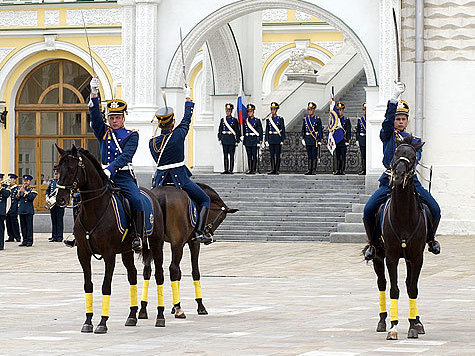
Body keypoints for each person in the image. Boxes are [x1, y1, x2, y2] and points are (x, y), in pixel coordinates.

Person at [363, 82, 441, 260]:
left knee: (435, 209)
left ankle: (430, 239)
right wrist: (393, 100)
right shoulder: (388, 136)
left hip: (410, 182)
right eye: (397, 118)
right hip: (389, 181)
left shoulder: (414, 140)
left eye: (402, 119)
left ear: (407, 120)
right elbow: (386, 124)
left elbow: (417, 157)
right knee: (368, 210)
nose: (399, 121)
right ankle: (372, 244)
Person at [150, 88, 212, 244]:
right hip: (180, 179)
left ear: (159, 123)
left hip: (159, 182)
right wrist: (188, 99)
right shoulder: (178, 135)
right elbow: (186, 120)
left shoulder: (152, 143)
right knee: (205, 200)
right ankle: (199, 232)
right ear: (172, 123)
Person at [88, 77, 144, 251]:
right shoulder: (104, 132)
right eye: (111, 117)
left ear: (123, 118)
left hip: (123, 176)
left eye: (117, 117)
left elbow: (126, 156)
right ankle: (80, 233)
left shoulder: (131, 135)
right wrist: (94, 94)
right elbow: (96, 118)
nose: (114, 121)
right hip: (104, 176)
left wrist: (110, 170)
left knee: (136, 200)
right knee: (80, 198)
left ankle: (137, 235)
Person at [301, 102, 323, 175]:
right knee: (309, 155)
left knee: (314, 155)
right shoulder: (305, 119)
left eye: (311, 110)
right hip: (308, 139)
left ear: (314, 110)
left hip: (314, 139)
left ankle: (313, 169)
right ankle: (309, 169)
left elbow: (320, 130)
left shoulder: (317, 119)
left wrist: (320, 139)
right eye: (309, 110)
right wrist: (303, 138)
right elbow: (303, 129)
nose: (310, 111)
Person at [217, 103, 240, 174]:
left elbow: (237, 131)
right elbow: (220, 129)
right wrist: (220, 138)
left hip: (231, 139)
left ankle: (231, 169)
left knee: (232, 155)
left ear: (231, 111)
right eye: (227, 111)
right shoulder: (223, 120)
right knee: (225, 155)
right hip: (225, 138)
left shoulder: (234, 120)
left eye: (229, 110)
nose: (228, 112)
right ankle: (226, 169)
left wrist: (237, 139)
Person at [265, 102, 286, 175]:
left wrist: (282, 139)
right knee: (271, 155)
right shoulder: (269, 120)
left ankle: (277, 169)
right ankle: (272, 169)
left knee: (277, 155)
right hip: (271, 138)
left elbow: (283, 129)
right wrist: (266, 140)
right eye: (272, 109)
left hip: (277, 138)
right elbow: (267, 130)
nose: (273, 111)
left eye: (274, 109)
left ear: (276, 110)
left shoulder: (280, 119)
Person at [242, 103, 263, 174]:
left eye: (251, 111)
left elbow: (260, 131)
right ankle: (250, 169)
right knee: (249, 156)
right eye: (248, 111)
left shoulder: (257, 120)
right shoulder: (245, 121)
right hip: (247, 139)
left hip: (254, 140)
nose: (249, 113)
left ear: (253, 112)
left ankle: (254, 169)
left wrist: (260, 140)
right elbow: (244, 131)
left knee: (254, 155)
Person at [46, 168, 65, 242]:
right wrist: (47, 197)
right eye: (55, 174)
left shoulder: (62, 182)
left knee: (59, 221)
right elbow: (48, 190)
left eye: (57, 174)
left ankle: (59, 236)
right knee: (53, 220)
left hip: (59, 204)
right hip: (52, 204)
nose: (56, 175)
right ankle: (54, 236)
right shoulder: (52, 182)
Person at [18, 174, 37, 247]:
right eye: (24, 181)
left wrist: (25, 192)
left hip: (28, 210)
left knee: (29, 227)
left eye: (27, 181)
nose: (25, 182)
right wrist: (19, 193)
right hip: (21, 210)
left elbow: (31, 197)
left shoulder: (32, 189)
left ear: (30, 181)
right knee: (23, 227)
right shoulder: (21, 188)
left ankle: (29, 241)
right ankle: (24, 240)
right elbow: (17, 198)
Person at [335, 102, 351, 175]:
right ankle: (338, 169)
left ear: (343, 110)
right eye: (338, 110)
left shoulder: (346, 120)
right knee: (337, 155)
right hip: (337, 140)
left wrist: (348, 139)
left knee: (343, 156)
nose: (339, 112)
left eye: (341, 110)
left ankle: (342, 170)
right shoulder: (335, 120)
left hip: (343, 140)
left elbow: (348, 130)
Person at [5, 173, 20, 243]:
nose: (10, 181)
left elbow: (18, 198)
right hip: (7, 208)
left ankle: (17, 236)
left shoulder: (17, 188)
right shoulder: (7, 188)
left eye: (11, 179)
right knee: (8, 222)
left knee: (14, 222)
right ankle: (10, 236)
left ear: (14, 180)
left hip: (14, 207)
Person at [0, 173, 11, 250]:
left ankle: (1, 245)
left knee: (0, 228)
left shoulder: (5, 187)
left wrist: (1, 188)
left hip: (1, 211)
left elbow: (7, 194)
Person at [356, 103, 367, 175]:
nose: (365, 111)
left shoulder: (370, 119)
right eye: (364, 110)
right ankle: (363, 169)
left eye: (366, 109)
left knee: (368, 155)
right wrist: (357, 139)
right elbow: (358, 130)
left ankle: (367, 169)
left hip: (368, 139)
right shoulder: (360, 120)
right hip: (362, 138)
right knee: (363, 155)